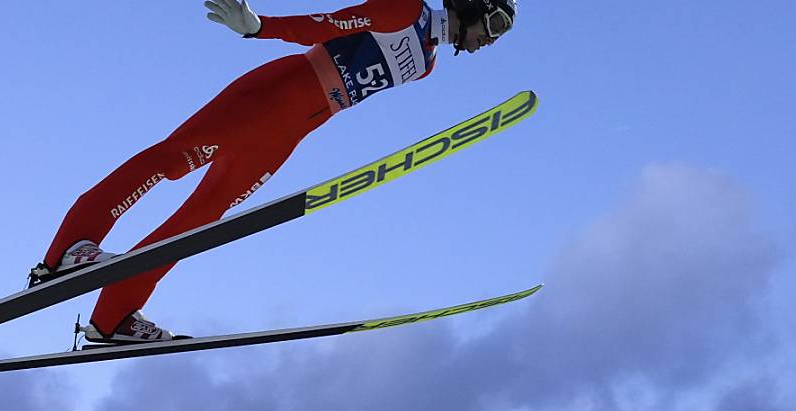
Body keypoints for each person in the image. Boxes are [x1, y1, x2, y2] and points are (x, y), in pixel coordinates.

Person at [28, 0, 518, 344]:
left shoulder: (428, 62)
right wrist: (258, 26)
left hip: (294, 129)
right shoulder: (406, 9)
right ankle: (67, 251)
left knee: (202, 219)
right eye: (493, 25)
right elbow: (328, 24)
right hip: (277, 95)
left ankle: (112, 316)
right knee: (171, 160)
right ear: (474, 4)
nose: (488, 41)